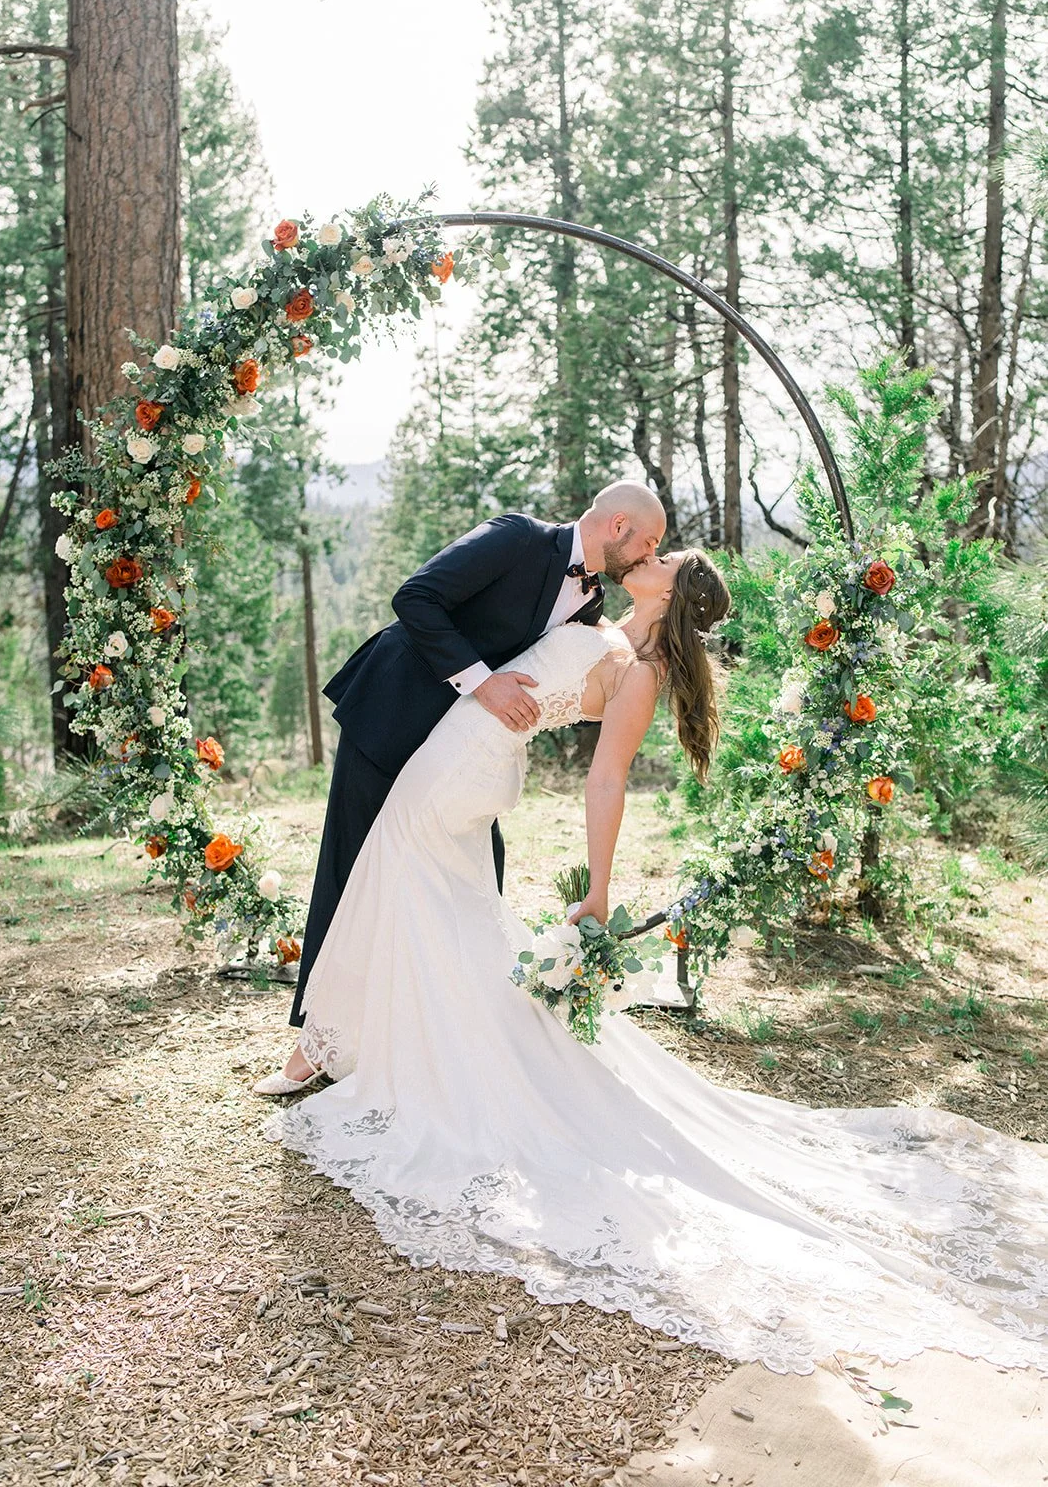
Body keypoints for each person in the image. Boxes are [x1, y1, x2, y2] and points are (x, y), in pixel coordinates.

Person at [258, 548, 1048, 1377]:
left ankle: (400, 1051)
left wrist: (597, 891)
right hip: (468, 761)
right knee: (435, 907)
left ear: (670, 591)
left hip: (463, 771)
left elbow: (608, 778)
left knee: (408, 886)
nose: (652, 554)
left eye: (667, 556)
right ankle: (384, 1043)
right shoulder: (607, 625)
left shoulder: (642, 666)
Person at [255, 480, 668, 1094]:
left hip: (458, 758)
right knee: (352, 869)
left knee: (474, 885)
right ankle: (319, 1039)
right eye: (650, 542)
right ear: (617, 527)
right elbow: (415, 597)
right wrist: (481, 683)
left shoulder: (588, 604)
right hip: (393, 714)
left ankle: (443, 1030)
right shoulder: (518, 538)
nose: (648, 554)